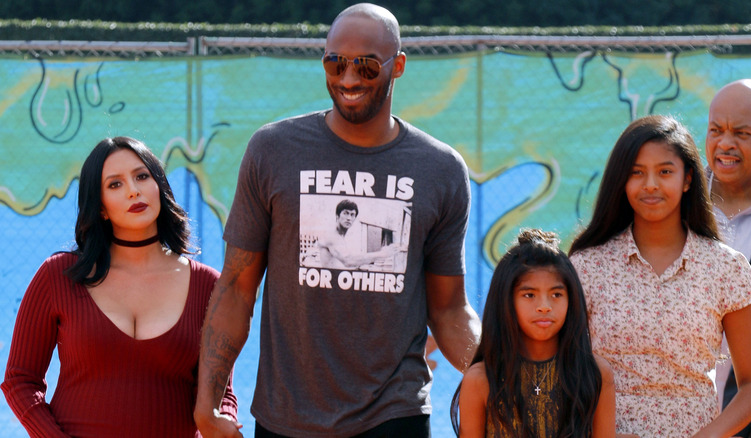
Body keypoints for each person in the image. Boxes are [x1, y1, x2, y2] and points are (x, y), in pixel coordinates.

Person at [194, 3, 480, 437]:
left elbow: (449, 307)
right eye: (335, 63)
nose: (348, 79)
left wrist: (499, 373)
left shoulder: (440, 169)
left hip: (394, 413)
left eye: (366, 67)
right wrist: (206, 406)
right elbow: (236, 289)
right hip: (286, 417)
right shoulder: (273, 151)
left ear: (397, 65)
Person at [1, 136, 238, 437]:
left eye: (142, 176)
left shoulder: (208, 286)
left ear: (160, 187)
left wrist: (224, 422)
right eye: (115, 184)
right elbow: (20, 381)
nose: (134, 190)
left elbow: (221, 395)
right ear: (100, 207)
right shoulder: (58, 275)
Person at [568, 115, 751, 437]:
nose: (650, 184)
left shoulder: (726, 268)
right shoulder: (586, 267)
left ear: (688, 178)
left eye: (664, 172)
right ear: (621, 180)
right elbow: (564, 374)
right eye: (637, 173)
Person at [451, 229, 615, 438]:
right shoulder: (481, 379)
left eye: (556, 294)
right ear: (506, 300)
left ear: (571, 299)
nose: (544, 306)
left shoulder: (595, 374)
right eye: (529, 295)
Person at [705, 79, 751, 437]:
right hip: (673, 416)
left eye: (741, 133)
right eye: (716, 130)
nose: (725, 144)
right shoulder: (672, 204)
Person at [315, 199, 399, 269]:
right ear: (337, 215)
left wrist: (358, 267)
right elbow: (348, 261)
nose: (349, 218)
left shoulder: (341, 237)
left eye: (352, 215)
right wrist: (382, 254)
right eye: (345, 213)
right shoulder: (332, 236)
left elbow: (340, 263)